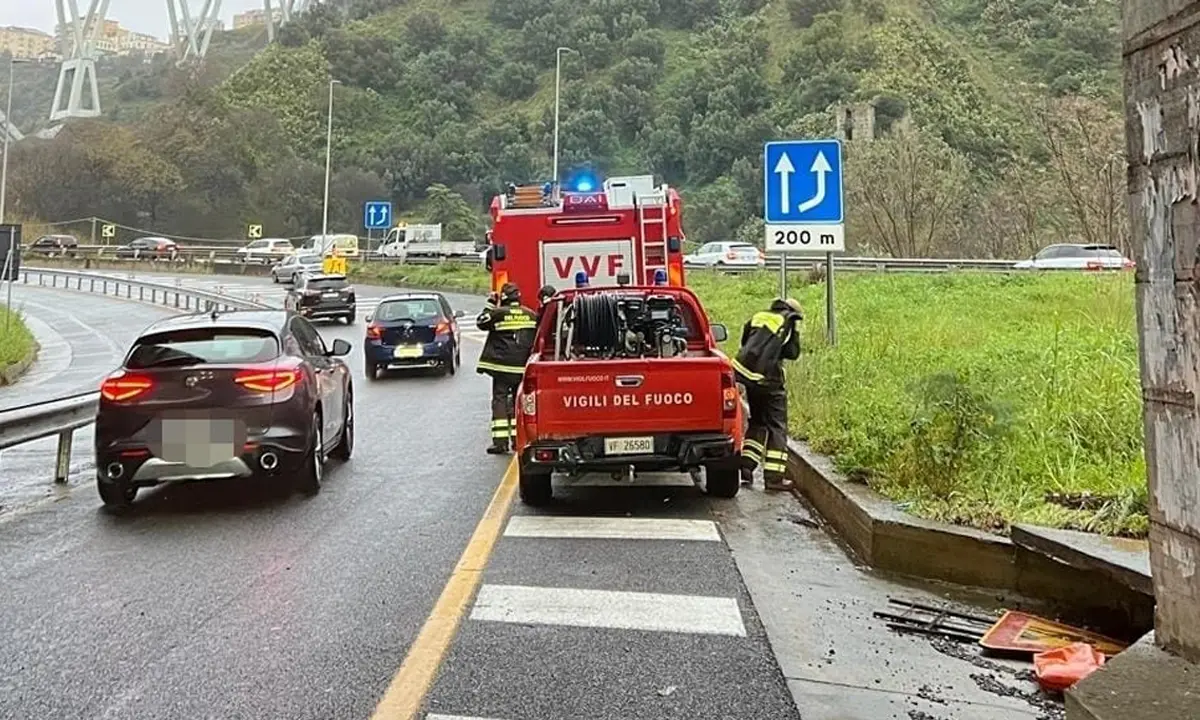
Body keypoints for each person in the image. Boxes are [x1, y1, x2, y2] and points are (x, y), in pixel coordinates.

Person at [730, 298, 803, 491]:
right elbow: (793, 353)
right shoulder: (787, 321)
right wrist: (794, 330)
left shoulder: (759, 316)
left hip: (747, 376)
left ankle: (746, 467)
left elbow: (746, 341)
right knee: (777, 426)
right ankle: (774, 477)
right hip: (769, 381)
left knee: (758, 422)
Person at [476, 282, 538, 454]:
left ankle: (500, 442)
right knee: (518, 403)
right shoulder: (531, 315)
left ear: (503, 298)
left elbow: (480, 322)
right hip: (522, 368)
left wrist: (490, 303)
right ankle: (518, 440)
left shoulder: (497, 314)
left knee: (500, 401)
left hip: (502, 368)